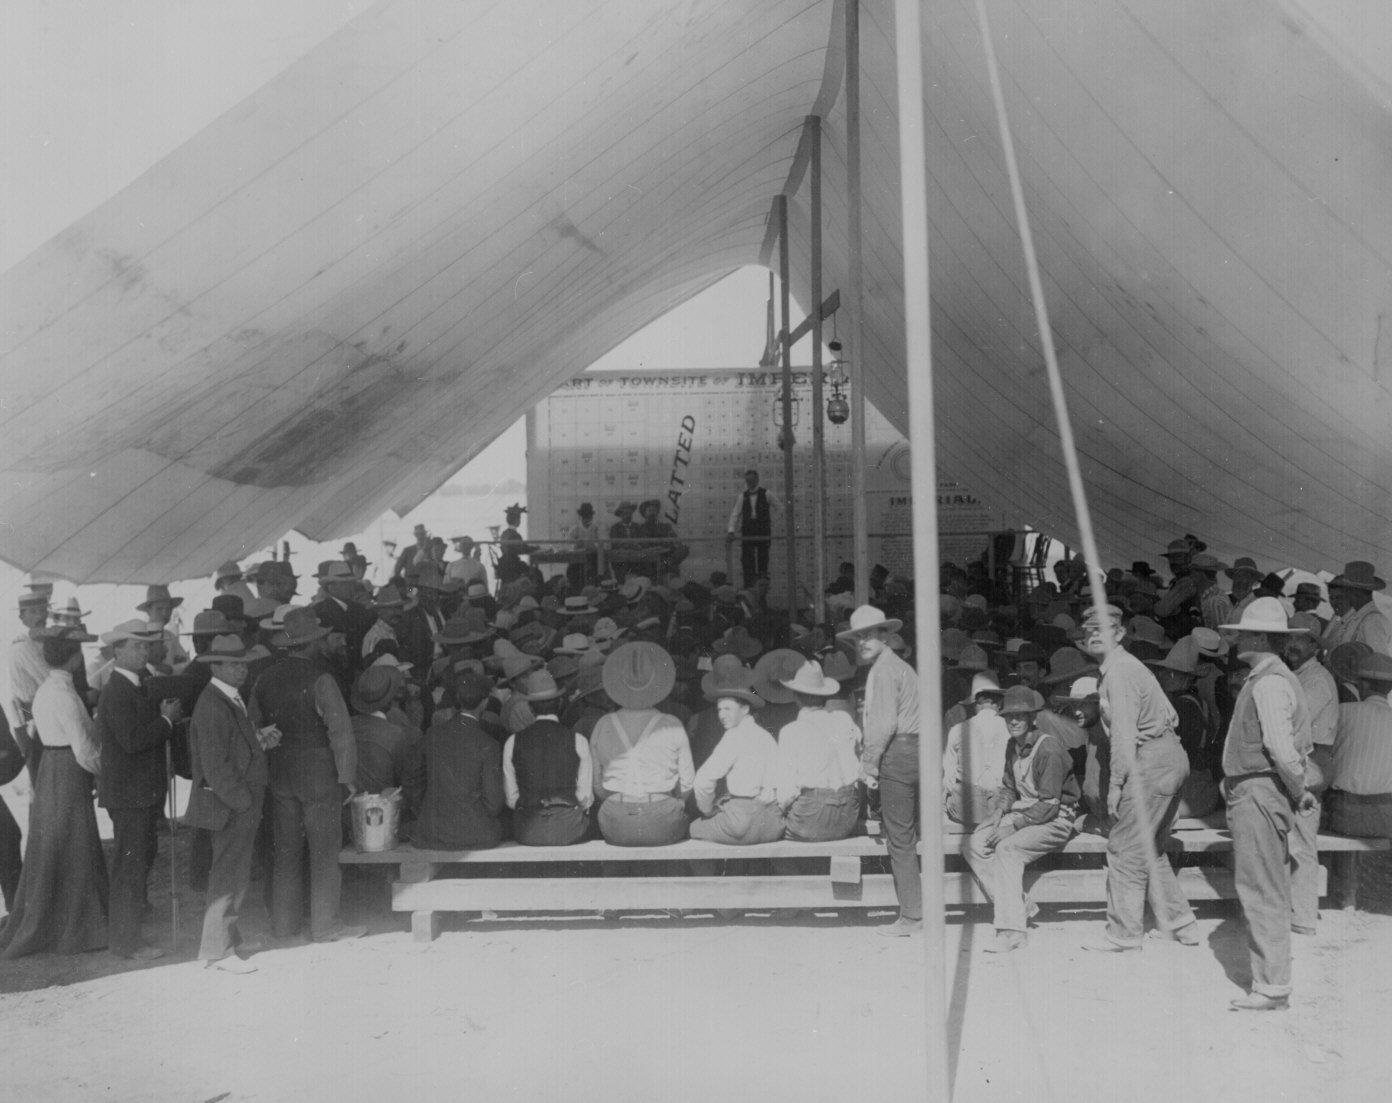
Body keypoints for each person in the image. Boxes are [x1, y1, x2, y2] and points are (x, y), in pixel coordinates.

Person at [1076, 604, 1200, 952]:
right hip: (1165, 757)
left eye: (1103, 628)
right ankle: (1181, 923)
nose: (1094, 634)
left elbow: (1124, 735)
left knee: (1124, 847)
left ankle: (1124, 933)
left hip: (1150, 761)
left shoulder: (1120, 672)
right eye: (1089, 630)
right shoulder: (1121, 668)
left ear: (1119, 633)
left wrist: (1116, 786)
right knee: (1149, 848)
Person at [1216, 598, 1315, 1011]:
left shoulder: (1270, 683)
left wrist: (1299, 789)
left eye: (1243, 633)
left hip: (1260, 791)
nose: (1237, 640)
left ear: (1260, 638)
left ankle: (1273, 986)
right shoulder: (1267, 678)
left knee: (1262, 888)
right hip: (1256, 789)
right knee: (1261, 884)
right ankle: (1270, 980)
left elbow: (1281, 749)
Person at [248, 607, 363, 943]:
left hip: (279, 772)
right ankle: (326, 925)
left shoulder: (264, 678)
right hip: (318, 774)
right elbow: (340, 731)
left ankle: (284, 925)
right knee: (324, 851)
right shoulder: (321, 678)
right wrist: (347, 776)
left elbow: (252, 725)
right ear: (313, 642)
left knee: (286, 851)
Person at [0, 625, 109, 958]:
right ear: (75, 659)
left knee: (55, 844)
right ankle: (78, 924)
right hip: (67, 768)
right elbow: (84, 749)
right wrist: (104, 772)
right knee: (75, 843)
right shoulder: (65, 695)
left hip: (50, 766)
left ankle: (60, 917)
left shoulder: (46, 690)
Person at [965, 686, 1081, 953]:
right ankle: (1021, 905)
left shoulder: (1048, 748)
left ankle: (1013, 931)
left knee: (1008, 849)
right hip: (1027, 812)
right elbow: (1009, 787)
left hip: (1056, 819)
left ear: (1032, 718)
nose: (1014, 721)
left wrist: (1013, 827)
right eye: (1009, 716)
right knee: (974, 844)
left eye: (1020, 716)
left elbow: (1050, 804)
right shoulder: (1013, 745)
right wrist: (998, 812)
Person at [185, 634, 276, 974]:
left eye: (244, 664)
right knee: (227, 877)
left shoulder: (226, 698)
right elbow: (216, 767)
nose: (242, 670)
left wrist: (258, 741)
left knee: (235, 875)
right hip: (231, 805)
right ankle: (218, 952)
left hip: (236, 803)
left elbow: (231, 751)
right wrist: (242, 802)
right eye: (235, 664)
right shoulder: (212, 705)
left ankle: (230, 941)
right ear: (216, 667)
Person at [95, 619, 183, 960]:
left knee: (138, 863)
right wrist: (166, 720)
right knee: (129, 868)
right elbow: (131, 740)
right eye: (136, 646)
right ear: (116, 651)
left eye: (146, 645)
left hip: (139, 792)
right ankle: (125, 944)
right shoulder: (116, 690)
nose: (144, 651)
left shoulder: (136, 685)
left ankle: (129, 937)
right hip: (129, 794)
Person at [841, 605, 922, 936]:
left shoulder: (883, 671)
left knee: (899, 838)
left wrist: (868, 765)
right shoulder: (901, 667)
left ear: (886, 636)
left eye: (869, 635)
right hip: (918, 750)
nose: (862, 642)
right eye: (857, 638)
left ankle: (913, 916)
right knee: (916, 833)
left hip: (897, 753)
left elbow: (883, 724)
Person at [591, 642, 693, 846]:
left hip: (616, 820)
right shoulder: (671, 724)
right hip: (662, 818)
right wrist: (673, 801)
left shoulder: (604, 724)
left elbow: (597, 784)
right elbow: (687, 784)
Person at [409, 671, 506, 850]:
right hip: (475, 834)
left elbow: (412, 781)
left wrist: (428, 811)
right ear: (485, 702)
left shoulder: (432, 735)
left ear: (457, 699)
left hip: (432, 833)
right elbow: (494, 804)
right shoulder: (488, 743)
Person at [1325, 653, 1392, 910]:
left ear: (1362, 684)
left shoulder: (1343, 712)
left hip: (1346, 816)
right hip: (1386, 819)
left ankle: (1345, 893)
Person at [1284, 612, 1337, 934]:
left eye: (1300, 640)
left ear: (1315, 647)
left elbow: (1294, 724)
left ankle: (1303, 916)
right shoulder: (1299, 675)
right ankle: (1292, 910)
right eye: (1289, 638)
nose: (1292, 645)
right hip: (1301, 759)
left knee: (1302, 841)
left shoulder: (1317, 679)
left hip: (1312, 761)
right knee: (1292, 837)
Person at [689, 662, 783, 844]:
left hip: (742, 821)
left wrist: (707, 809)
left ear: (745, 709)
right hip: (772, 823)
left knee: (694, 828)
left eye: (728, 709)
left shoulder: (734, 735)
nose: (722, 715)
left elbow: (702, 781)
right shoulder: (766, 736)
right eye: (719, 709)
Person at [774, 660, 862, 841]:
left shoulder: (791, 730)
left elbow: (786, 790)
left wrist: (778, 810)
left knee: (772, 832)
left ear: (796, 697)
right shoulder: (844, 719)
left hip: (811, 814)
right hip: (847, 815)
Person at [503, 670, 593, 845]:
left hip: (528, 830)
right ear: (560, 703)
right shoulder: (578, 740)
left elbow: (512, 799)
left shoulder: (512, 742)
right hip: (569, 829)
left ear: (530, 707)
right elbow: (585, 798)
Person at [349, 666, 426, 819]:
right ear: (389, 700)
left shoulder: (346, 725)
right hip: (383, 812)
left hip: (350, 809)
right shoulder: (396, 735)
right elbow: (407, 780)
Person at [943, 674, 1009, 826]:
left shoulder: (957, 729)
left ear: (975, 704)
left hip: (967, 808)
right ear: (1000, 703)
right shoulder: (1011, 729)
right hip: (1001, 806)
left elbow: (948, 778)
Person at [1325, 561, 1392, 657]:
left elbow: (1379, 660)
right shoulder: (1358, 617)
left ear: (1357, 592)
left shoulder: (1372, 620)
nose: (1345, 594)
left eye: (1346, 590)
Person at [727, 469, 779, 587]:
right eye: (747, 481)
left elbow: (780, 508)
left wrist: (771, 522)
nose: (749, 483)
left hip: (763, 531)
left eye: (751, 480)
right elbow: (735, 514)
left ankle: (762, 591)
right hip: (748, 531)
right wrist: (731, 531)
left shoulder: (767, 494)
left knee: (763, 561)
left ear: (757, 479)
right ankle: (748, 588)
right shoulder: (742, 496)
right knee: (747, 562)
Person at [566, 503, 605, 589]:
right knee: (574, 575)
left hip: (594, 560)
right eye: (584, 516)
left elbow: (604, 544)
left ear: (591, 516)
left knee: (597, 575)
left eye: (588, 516)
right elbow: (567, 545)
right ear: (581, 516)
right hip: (577, 563)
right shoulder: (575, 529)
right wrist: (575, 546)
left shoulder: (597, 528)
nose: (586, 518)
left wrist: (594, 545)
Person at [496, 504, 536, 586]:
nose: (519, 521)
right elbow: (523, 549)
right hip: (513, 565)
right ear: (516, 520)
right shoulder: (514, 534)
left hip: (504, 564)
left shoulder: (504, 533)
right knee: (536, 572)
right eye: (519, 518)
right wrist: (536, 548)